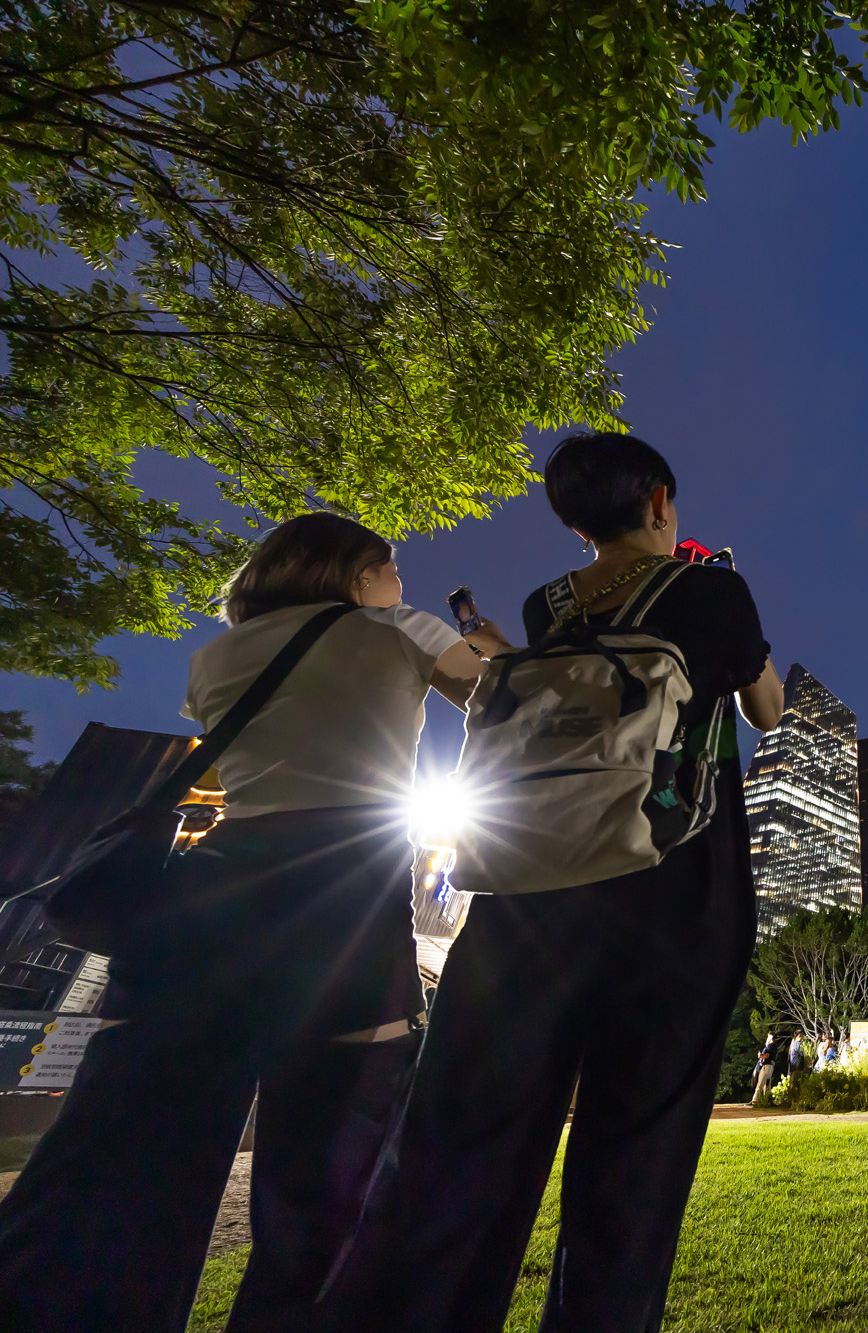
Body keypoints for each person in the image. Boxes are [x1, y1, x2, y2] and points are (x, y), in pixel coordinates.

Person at [0, 513, 504, 1333]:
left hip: (214, 907)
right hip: (343, 898)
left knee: (126, 1182)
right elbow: (509, 706)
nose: (401, 585)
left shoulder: (214, 657)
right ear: (355, 577)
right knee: (328, 1199)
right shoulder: (393, 628)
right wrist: (485, 642)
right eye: (391, 570)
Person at [345, 432, 782, 1332]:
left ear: (574, 519)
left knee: (470, 1142)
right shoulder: (714, 588)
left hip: (531, 886)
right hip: (676, 883)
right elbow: (766, 709)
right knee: (636, 1154)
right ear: (660, 499)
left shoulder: (548, 605)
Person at [748, 1033, 779, 1107]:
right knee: (767, 1085)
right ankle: (767, 1101)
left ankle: (755, 1101)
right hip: (770, 1067)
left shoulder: (770, 1046)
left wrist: (760, 1055)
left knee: (760, 1083)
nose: (767, 1038)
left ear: (771, 1037)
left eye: (768, 1036)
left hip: (766, 1067)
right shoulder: (774, 1046)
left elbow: (767, 1055)